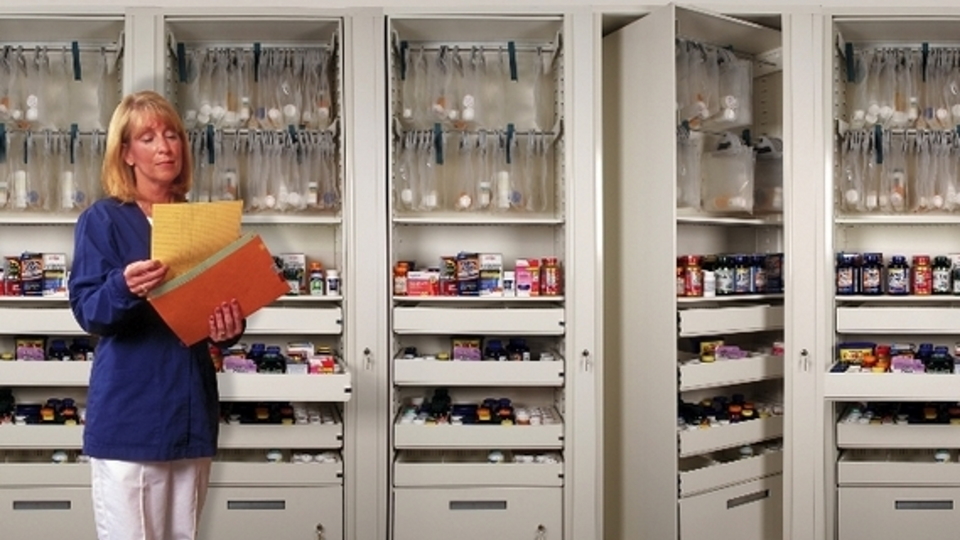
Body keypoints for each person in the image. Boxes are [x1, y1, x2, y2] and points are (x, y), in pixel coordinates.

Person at [68, 90, 244, 540]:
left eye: (171, 135)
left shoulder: (200, 223)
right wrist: (123, 286)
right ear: (126, 153)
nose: (165, 146)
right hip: (130, 414)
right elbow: (89, 311)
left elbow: (216, 309)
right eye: (147, 137)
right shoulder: (103, 220)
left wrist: (227, 329)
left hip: (188, 410)